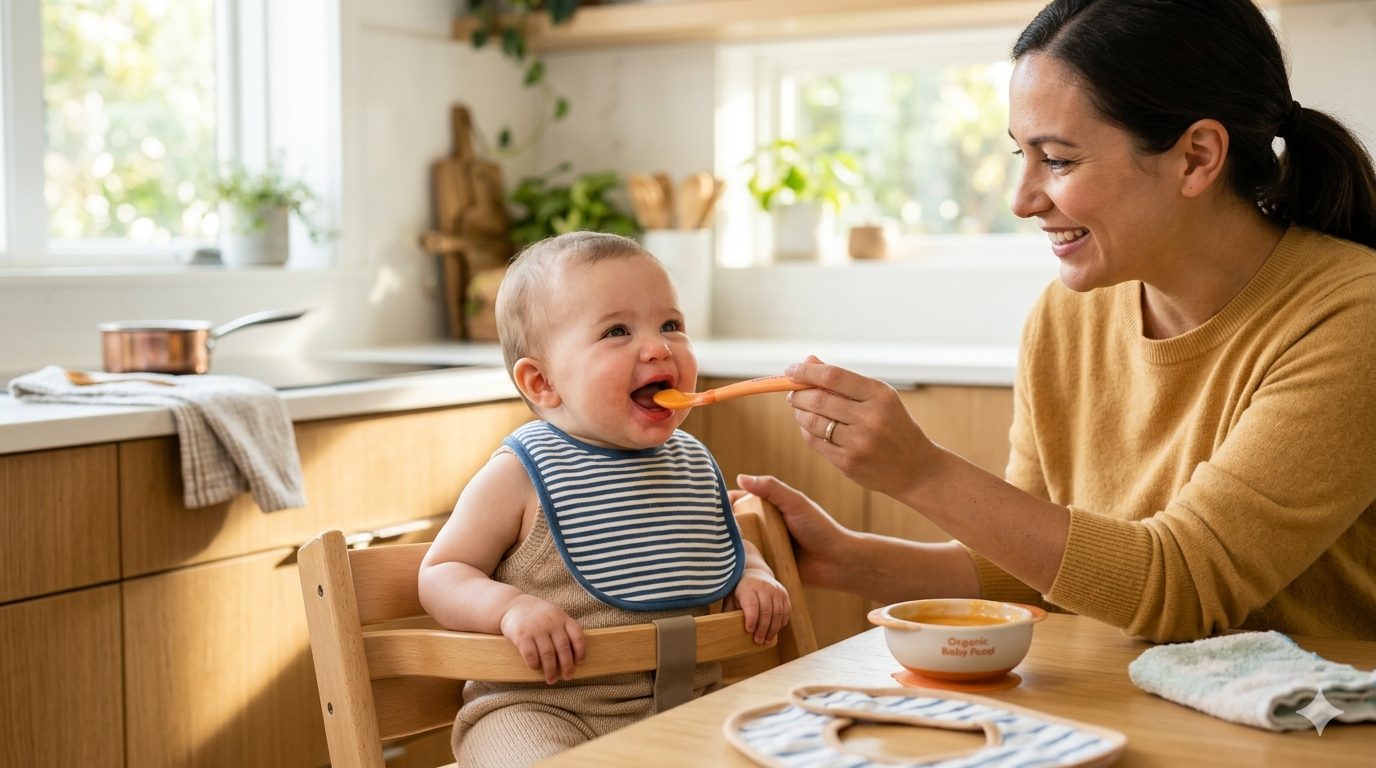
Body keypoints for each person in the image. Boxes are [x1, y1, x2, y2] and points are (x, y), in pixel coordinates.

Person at [742, 0, 1376, 644]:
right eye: (1021, 154)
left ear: (1196, 157)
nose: (1021, 200)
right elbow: (1041, 567)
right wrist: (851, 560)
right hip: (1130, 695)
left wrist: (922, 473)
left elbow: (1185, 586)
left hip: (1316, 706)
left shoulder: (1354, 314)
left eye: (1058, 160)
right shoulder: (1067, 315)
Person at [418, 231, 791, 767]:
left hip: (686, 708)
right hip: (541, 711)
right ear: (542, 381)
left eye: (671, 325)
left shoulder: (690, 462)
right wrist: (511, 608)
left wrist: (752, 574)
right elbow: (442, 572)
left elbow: (719, 545)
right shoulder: (519, 475)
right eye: (617, 331)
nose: (659, 347)